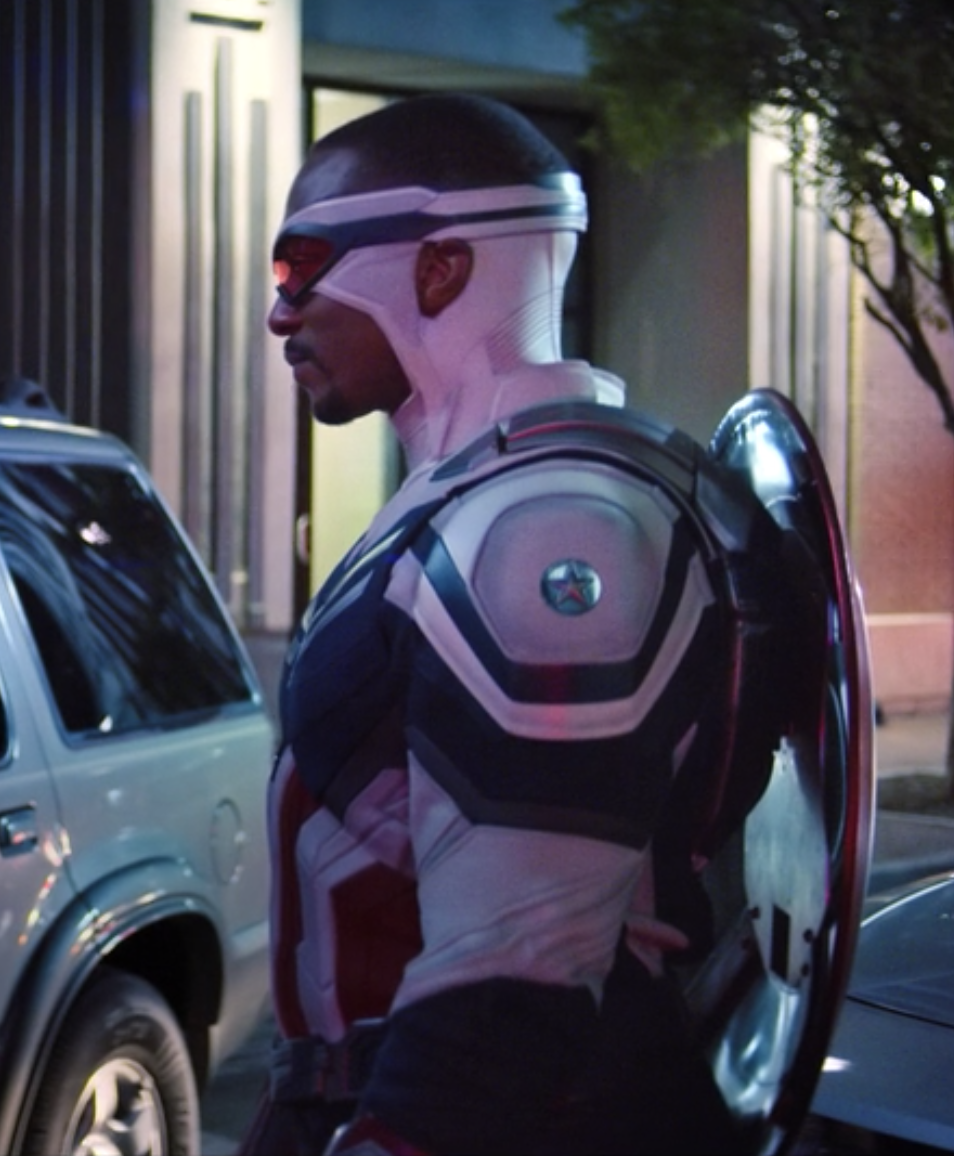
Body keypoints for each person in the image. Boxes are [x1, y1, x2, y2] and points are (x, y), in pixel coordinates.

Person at [250, 94, 750, 1154]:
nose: (279, 313)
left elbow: (517, 980)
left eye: (300, 266)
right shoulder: (489, 489)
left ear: (437, 268)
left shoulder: (543, 522)